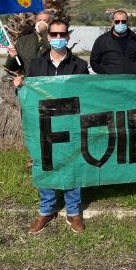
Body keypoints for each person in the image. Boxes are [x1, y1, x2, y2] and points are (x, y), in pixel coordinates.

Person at [13, 19, 89, 234]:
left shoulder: (80, 66)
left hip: (70, 123)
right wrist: (20, 86)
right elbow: (29, 95)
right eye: (53, 35)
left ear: (68, 37)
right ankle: (47, 210)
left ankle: (73, 212)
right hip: (44, 124)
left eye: (61, 35)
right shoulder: (36, 65)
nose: (57, 38)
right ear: (48, 38)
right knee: (45, 163)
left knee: (72, 163)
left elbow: (86, 95)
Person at [90, 9, 136, 74]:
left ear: (127, 22)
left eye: (123, 21)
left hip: (131, 80)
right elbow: (94, 62)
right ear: (113, 22)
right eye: (117, 21)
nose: (120, 23)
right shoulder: (102, 40)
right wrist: (105, 75)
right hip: (110, 81)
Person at [5, 10, 54, 75]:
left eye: (45, 21)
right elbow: (13, 67)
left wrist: (44, 32)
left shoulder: (55, 40)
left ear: (50, 24)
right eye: (39, 20)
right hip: (29, 82)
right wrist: (11, 58)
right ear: (35, 22)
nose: (41, 23)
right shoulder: (22, 41)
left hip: (49, 81)